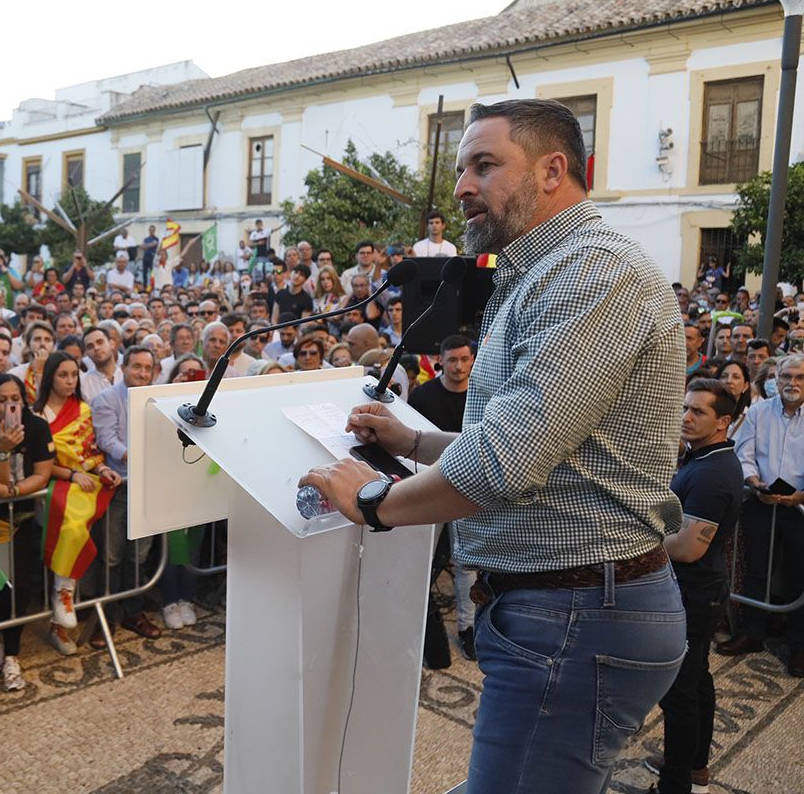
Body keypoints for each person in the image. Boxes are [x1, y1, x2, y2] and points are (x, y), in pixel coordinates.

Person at [299, 99, 687, 793]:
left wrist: (372, 500)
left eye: (484, 164)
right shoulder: (541, 272)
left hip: (576, 616)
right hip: (567, 610)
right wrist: (413, 439)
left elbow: (506, 460)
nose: (461, 187)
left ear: (552, 170)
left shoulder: (593, 273)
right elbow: (545, 450)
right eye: (459, 168)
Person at [646, 379, 743, 794]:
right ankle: (694, 770)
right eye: (685, 408)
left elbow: (687, 548)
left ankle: (676, 784)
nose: (686, 417)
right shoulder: (702, 458)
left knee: (679, 692)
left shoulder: (713, 473)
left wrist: (637, 538)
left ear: (723, 421)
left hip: (694, 594)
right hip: (695, 591)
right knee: (696, 680)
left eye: (698, 412)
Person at [718, 354, 804, 676]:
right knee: (756, 569)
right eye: (786, 377)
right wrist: (755, 483)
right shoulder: (758, 411)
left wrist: (798, 496)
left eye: (799, 377)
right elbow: (745, 453)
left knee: (798, 575)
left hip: (799, 508)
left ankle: (798, 644)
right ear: (775, 380)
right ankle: (751, 632)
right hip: (762, 501)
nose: (792, 384)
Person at [0, 373, 54, 689]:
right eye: (2, 400)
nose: (9, 405)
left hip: (25, 516)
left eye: (15, 399)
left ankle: (14, 651)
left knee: (21, 584)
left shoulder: (37, 426)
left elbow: (42, 474)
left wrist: (16, 491)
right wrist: (3, 450)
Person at [32, 351, 122, 655]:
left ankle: (63, 607)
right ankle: (63, 593)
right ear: (50, 378)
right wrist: (71, 475)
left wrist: (102, 469)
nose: (70, 381)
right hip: (51, 485)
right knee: (71, 526)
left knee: (81, 532)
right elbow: (39, 463)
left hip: (84, 483)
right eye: (63, 375)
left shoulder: (83, 409)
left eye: (74, 375)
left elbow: (91, 454)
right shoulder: (38, 414)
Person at [408, 335, 478, 663]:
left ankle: (468, 628)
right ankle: (421, 630)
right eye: (453, 360)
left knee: (467, 564)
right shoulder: (423, 395)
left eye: (465, 359)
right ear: (441, 360)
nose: (459, 366)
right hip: (431, 486)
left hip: (471, 487)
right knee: (424, 560)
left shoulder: (482, 393)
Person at [86, 346, 164, 638]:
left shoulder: (157, 400)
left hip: (146, 488)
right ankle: (103, 617)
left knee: (138, 556)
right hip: (118, 488)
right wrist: (139, 457)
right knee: (111, 555)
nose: (142, 373)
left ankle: (133, 612)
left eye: (147, 368)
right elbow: (107, 440)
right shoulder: (106, 398)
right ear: (123, 367)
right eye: (136, 367)